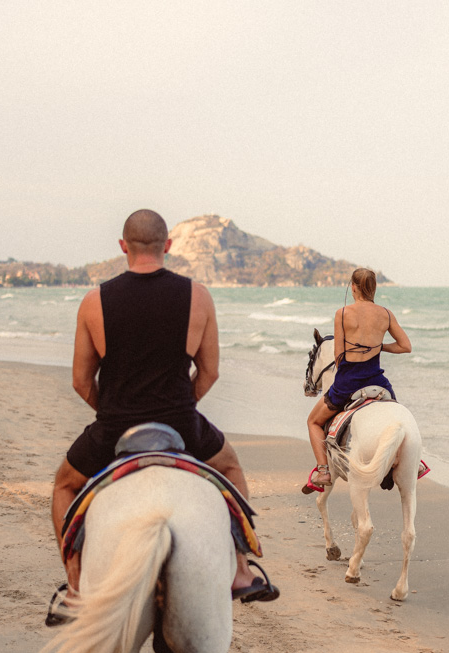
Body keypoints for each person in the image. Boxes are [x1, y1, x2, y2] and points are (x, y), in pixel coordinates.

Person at [50, 209, 279, 614]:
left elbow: (81, 382)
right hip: (180, 423)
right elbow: (209, 373)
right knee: (230, 468)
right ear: (168, 246)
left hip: (115, 427)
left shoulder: (93, 302)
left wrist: (116, 411)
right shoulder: (198, 296)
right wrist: (180, 405)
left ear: (123, 247)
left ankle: (75, 584)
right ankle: (241, 569)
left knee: (64, 486)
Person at [305, 267, 412, 490]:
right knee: (398, 415)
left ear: (353, 287)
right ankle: (415, 462)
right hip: (377, 381)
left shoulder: (342, 314)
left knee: (313, 421)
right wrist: (378, 347)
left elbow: (338, 355)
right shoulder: (386, 314)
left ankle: (323, 471)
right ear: (373, 288)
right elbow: (405, 346)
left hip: (348, 383)